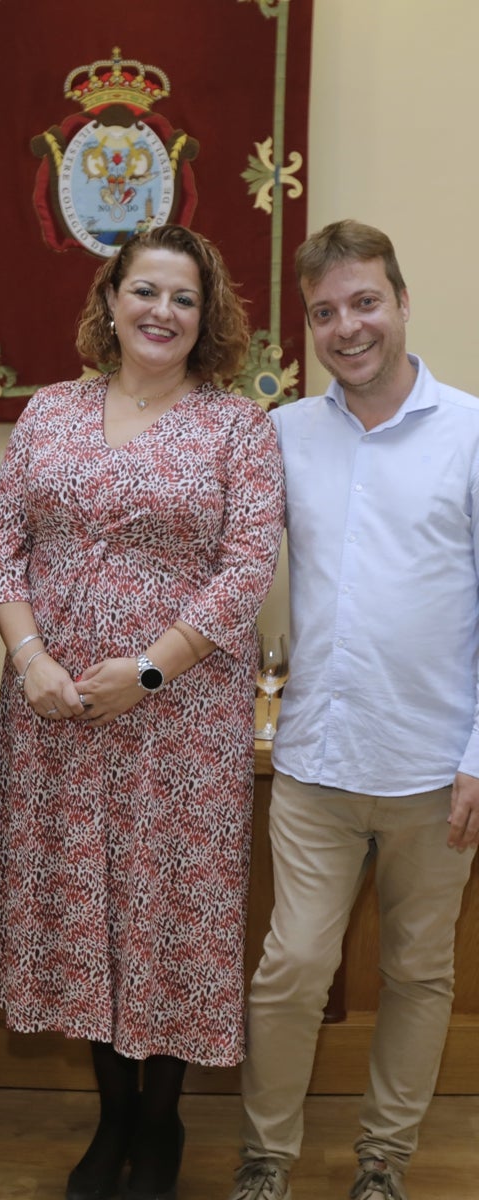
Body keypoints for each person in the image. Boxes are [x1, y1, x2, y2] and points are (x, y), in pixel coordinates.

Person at [0, 224, 285, 1200]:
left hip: (178, 724)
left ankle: (162, 1125)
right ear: (111, 300)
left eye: (183, 298)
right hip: (55, 714)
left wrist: (146, 672)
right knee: (87, 914)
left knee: (166, 911)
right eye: (144, 291)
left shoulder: (240, 427)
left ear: (208, 318)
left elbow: (245, 573)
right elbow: (0, 547)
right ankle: (111, 1123)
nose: (161, 312)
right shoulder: (49, 412)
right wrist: (28, 660)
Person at [227, 220, 479, 1200]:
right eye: (325, 312)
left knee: (420, 979)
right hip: (316, 766)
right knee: (290, 970)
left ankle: (383, 1162)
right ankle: (266, 1160)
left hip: (435, 775)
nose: (348, 327)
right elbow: (230, 568)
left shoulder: (471, 432)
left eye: (364, 302)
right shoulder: (283, 434)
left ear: (403, 301)